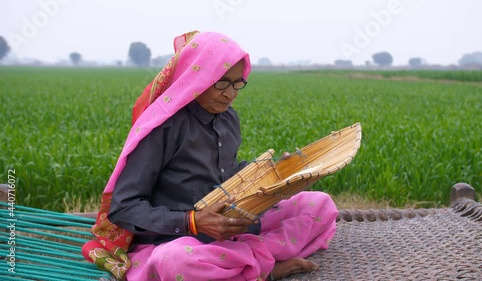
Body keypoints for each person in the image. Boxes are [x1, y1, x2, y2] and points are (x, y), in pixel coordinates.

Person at [82, 31, 338, 281]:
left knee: (320, 205)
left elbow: (226, 174)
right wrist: (192, 222)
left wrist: (274, 172)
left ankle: (237, 263)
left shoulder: (228, 119)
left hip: (232, 227)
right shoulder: (162, 128)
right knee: (172, 262)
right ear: (197, 76)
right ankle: (264, 266)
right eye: (222, 82)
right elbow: (124, 208)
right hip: (178, 240)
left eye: (238, 82)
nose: (231, 93)